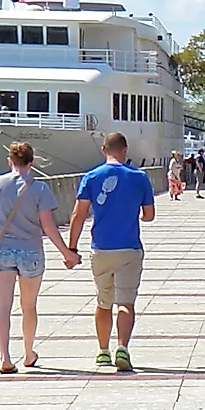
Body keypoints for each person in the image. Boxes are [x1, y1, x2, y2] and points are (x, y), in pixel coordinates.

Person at [0, 141, 77, 374]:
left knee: (3, 306)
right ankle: (29, 352)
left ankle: (5, 357)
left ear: (9, 161)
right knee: (28, 306)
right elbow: (48, 226)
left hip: (1, 252)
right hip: (31, 252)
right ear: (31, 163)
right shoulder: (39, 189)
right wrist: (67, 253)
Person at [65, 132, 157, 373]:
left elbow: (78, 215)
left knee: (103, 302)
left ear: (104, 149)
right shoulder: (140, 177)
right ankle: (122, 347)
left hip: (101, 248)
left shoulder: (91, 177)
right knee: (126, 301)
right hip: (130, 247)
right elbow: (149, 216)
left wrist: (71, 248)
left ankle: (103, 351)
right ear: (125, 150)